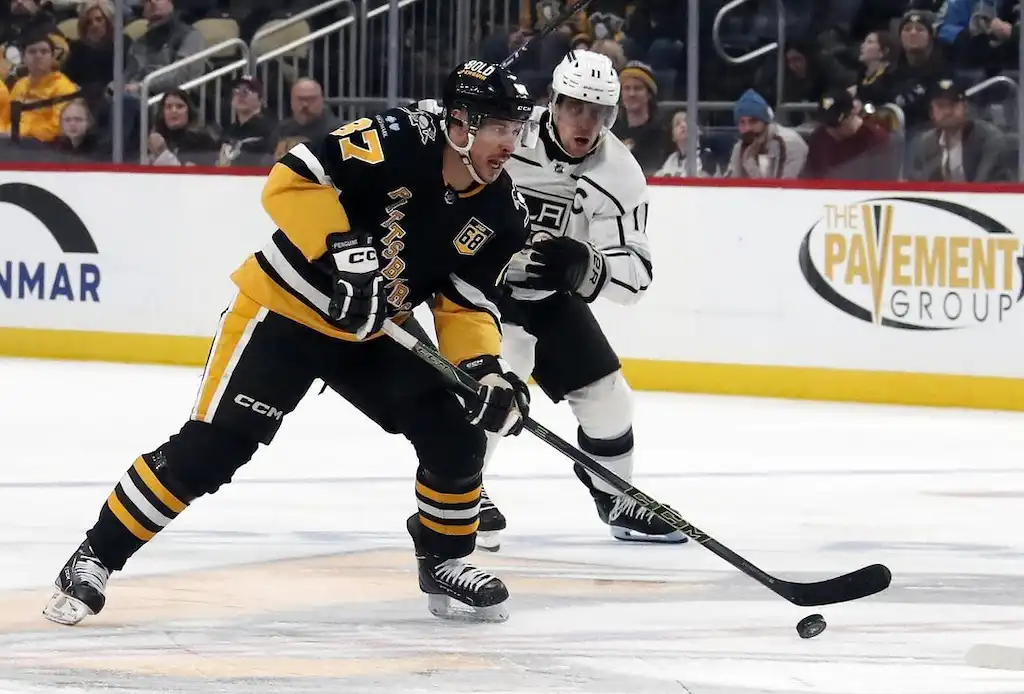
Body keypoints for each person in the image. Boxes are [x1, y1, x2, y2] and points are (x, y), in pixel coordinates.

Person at [42, 59, 537, 627]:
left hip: (375, 331)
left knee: (456, 435)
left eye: (516, 127)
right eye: (499, 126)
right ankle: (95, 557)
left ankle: (445, 560)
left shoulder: (504, 211)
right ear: (460, 122)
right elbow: (290, 178)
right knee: (213, 450)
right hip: (286, 310)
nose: (510, 142)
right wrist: (345, 253)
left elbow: (466, 303)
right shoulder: (397, 138)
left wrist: (484, 369)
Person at [477, 50, 685, 551]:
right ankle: (461, 491)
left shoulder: (618, 173)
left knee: (609, 400)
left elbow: (635, 279)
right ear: (553, 102)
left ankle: (616, 498)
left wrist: (587, 264)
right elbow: (437, 139)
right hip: (480, 288)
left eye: (599, 112)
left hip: (548, 294)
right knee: (492, 388)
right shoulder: (507, 134)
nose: (586, 122)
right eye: (576, 107)